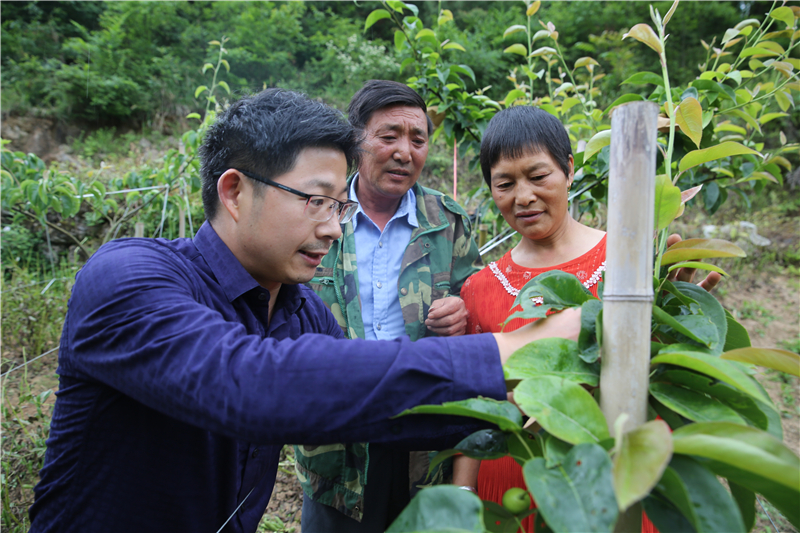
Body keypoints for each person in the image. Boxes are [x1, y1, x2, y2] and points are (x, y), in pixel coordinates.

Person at [28, 89, 582, 533]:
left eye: (340, 205)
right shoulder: (128, 278)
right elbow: (252, 384)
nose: (333, 226)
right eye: (316, 200)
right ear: (235, 192)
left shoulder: (297, 310)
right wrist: (506, 353)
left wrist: (536, 398)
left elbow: (376, 404)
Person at [454, 105, 721, 533]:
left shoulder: (634, 262)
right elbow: (478, 411)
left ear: (569, 170)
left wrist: (681, 333)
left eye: (538, 176)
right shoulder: (479, 289)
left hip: (615, 478)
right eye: (505, 183)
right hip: (512, 484)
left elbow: (677, 389)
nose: (523, 197)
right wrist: (463, 499)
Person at [294, 80, 482, 532]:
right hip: (335, 439)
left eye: (418, 139)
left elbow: (475, 307)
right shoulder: (318, 213)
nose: (405, 151)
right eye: (389, 135)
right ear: (357, 139)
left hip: (424, 433)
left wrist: (459, 312)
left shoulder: (447, 222)